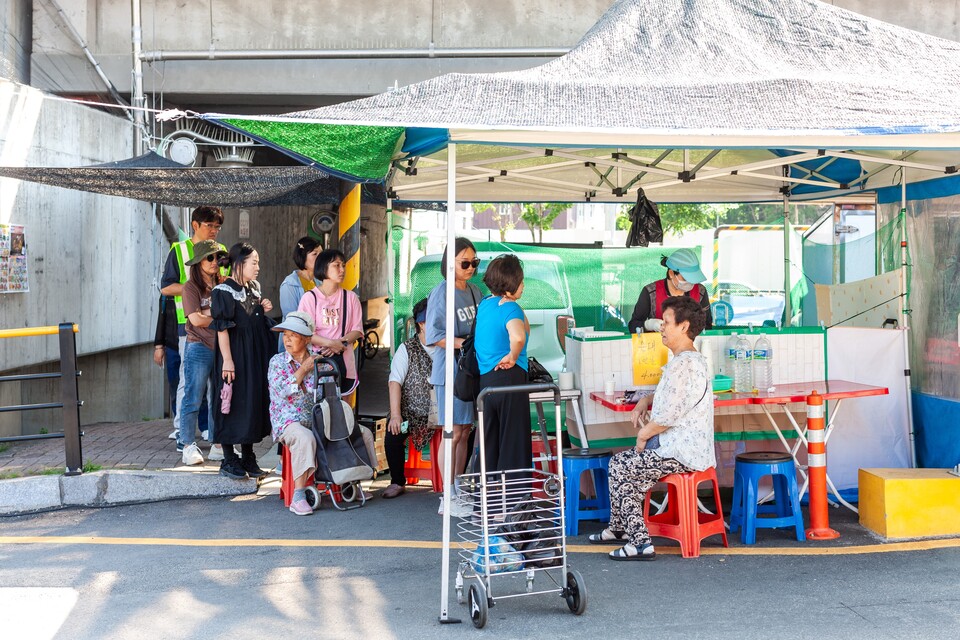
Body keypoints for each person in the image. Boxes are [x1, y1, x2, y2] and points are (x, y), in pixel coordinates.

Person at [590, 296, 714, 561]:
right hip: (678, 450)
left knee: (620, 466)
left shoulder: (686, 364)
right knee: (626, 467)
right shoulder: (687, 360)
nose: (661, 328)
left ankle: (640, 542)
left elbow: (670, 414)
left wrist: (644, 435)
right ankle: (619, 528)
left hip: (680, 453)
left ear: (684, 326)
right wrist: (645, 400)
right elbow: (669, 395)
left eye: (666, 322)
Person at [425, 237, 481, 513]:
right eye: (465, 263)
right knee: (452, 433)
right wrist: (463, 344)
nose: (471, 267)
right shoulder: (442, 292)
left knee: (464, 431)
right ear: (450, 263)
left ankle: (458, 487)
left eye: (475, 262)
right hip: (450, 372)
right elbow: (434, 335)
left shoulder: (474, 291)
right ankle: (447, 495)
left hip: (469, 373)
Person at [160, 205, 224, 441]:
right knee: (190, 382)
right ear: (195, 225)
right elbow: (166, 287)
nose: (214, 230)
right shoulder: (178, 250)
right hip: (187, 324)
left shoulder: (222, 251)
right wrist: (195, 290)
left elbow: (225, 284)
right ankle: (182, 431)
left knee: (215, 384)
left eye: (217, 226)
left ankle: (210, 431)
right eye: (210, 225)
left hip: (218, 328)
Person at [211, 242, 275, 479]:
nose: (258, 267)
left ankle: (248, 456)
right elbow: (222, 329)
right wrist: (227, 361)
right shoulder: (222, 292)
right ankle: (229, 459)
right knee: (231, 402)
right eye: (254, 262)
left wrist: (263, 307)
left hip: (254, 355)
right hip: (235, 356)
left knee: (251, 402)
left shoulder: (254, 288)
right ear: (240, 263)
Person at [473, 253, 531, 475]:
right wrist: (513, 357)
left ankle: (487, 501)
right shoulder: (511, 309)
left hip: (486, 382)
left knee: (489, 442)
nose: (523, 285)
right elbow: (519, 337)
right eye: (521, 280)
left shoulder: (485, 305)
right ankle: (513, 501)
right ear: (511, 282)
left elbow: (522, 327)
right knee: (513, 442)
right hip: (511, 379)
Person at [267, 311, 322, 516]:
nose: (287, 339)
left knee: (356, 431)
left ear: (307, 339)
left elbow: (325, 394)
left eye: (293, 334)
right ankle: (298, 496)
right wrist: (303, 369)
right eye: (285, 334)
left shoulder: (319, 361)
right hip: (287, 420)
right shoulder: (277, 362)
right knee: (304, 437)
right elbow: (282, 391)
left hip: (315, 418)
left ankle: (347, 483)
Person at [178, 240, 227, 466]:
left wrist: (211, 315)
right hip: (198, 346)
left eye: (218, 257)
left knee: (219, 397)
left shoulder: (222, 283)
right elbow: (196, 319)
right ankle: (187, 445)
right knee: (193, 396)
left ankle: (218, 444)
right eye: (210, 257)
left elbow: (206, 316)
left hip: (220, 347)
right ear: (199, 262)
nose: (215, 262)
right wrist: (220, 318)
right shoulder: (190, 287)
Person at [382, 298, 437, 499]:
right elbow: (394, 382)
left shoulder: (448, 347)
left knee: (469, 431)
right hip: (411, 417)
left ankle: (450, 480)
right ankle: (397, 481)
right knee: (394, 433)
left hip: (440, 417)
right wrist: (396, 415)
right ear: (421, 324)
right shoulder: (407, 349)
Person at [296, 249, 363, 400]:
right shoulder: (310, 298)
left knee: (343, 413)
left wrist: (340, 343)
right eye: (336, 265)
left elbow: (357, 330)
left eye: (343, 265)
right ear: (323, 267)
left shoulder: (351, 298)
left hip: (344, 364)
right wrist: (331, 344)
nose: (342, 270)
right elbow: (304, 332)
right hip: (316, 363)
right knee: (319, 411)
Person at [627, 248, 712, 334]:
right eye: (686, 278)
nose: (691, 282)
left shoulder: (700, 292)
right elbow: (633, 326)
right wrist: (648, 325)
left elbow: (707, 326)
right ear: (671, 273)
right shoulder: (650, 293)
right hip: (659, 345)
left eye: (693, 278)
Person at [279, 236, 322, 320]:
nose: (320, 258)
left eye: (321, 254)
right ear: (303, 256)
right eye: (315, 254)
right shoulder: (289, 284)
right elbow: (291, 318)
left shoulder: (320, 282)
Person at [152, 294, 180, 422]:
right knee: (175, 386)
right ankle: (178, 424)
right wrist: (159, 347)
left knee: (200, 387)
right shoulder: (166, 294)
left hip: (195, 341)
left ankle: (204, 425)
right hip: (172, 344)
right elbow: (161, 317)